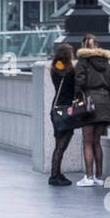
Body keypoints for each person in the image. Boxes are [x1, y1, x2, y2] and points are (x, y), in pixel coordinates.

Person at [74, 35, 110, 187]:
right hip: (104, 102)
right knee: (97, 141)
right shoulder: (105, 61)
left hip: (89, 103)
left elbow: (80, 83)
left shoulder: (83, 61)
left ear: (83, 45)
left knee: (87, 141)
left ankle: (89, 177)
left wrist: (77, 97)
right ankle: (98, 176)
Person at [48, 43, 76, 186]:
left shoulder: (54, 69)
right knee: (61, 145)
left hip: (56, 110)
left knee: (59, 143)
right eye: (71, 52)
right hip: (66, 110)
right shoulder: (70, 71)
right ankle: (54, 175)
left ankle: (56, 173)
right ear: (67, 55)